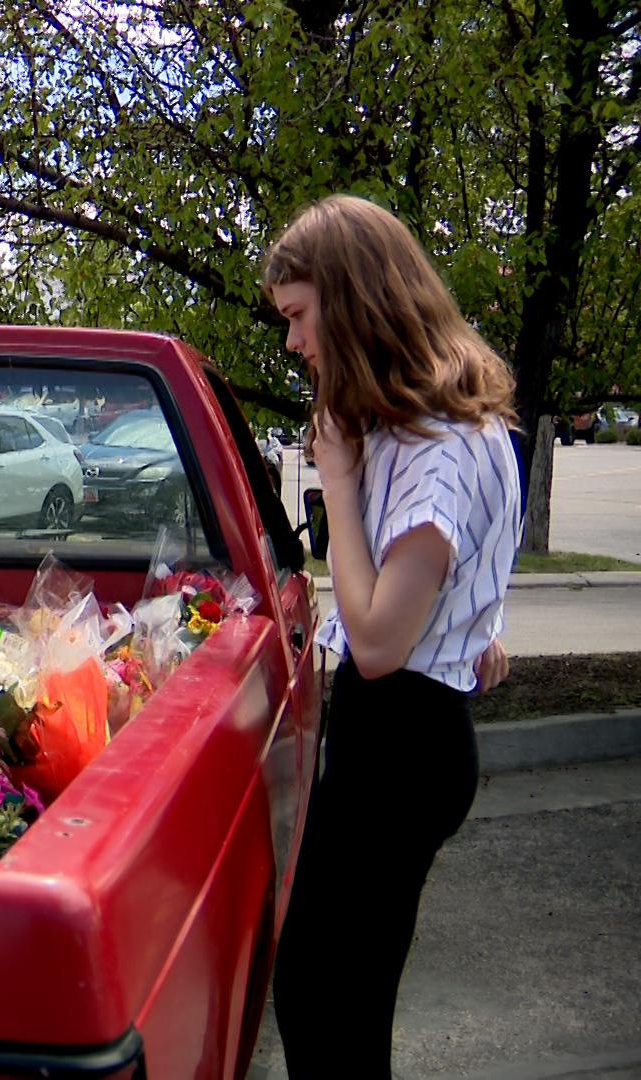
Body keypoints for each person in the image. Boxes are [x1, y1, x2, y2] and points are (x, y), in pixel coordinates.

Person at [263, 195, 519, 1077]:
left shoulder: (434, 446)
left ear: (352, 297)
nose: (294, 343)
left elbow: (374, 642)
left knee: (321, 1001)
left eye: (299, 316)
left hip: (398, 744)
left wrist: (333, 474)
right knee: (345, 1005)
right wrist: (477, 628)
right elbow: (470, 564)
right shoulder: (453, 421)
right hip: (414, 735)